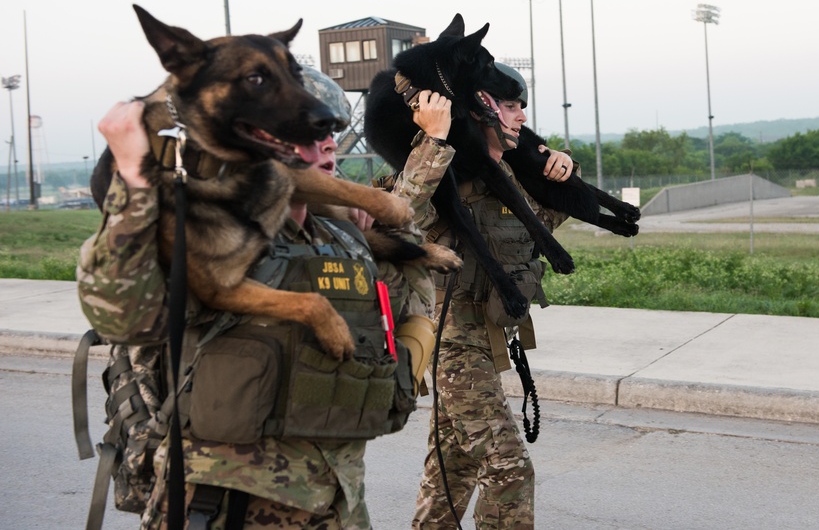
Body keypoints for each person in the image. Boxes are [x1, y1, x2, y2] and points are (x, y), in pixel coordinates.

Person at [77, 67, 456, 529]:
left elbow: (406, 312)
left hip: (337, 501)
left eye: (332, 133)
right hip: (224, 507)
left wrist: (380, 225)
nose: (330, 144)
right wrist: (134, 186)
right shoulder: (212, 239)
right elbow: (119, 310)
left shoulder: (338, 237)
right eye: (308, 135)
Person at [409, 63, 574, 529]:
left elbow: (536, 230)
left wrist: (561, 171)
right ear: (482, 112)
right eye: (510, 106)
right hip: (452, 344)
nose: (522, 117)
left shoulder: (508, 177)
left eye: (522, 106)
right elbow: (399, 219)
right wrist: (434, 142)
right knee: (509, 471)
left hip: (488, 337)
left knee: (453, 469)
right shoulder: (440, 171)